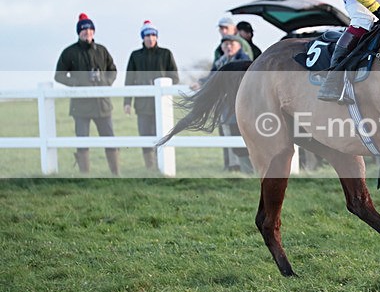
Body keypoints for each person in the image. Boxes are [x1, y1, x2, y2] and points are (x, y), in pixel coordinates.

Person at [54, 12, 119, 175]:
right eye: (84, 30)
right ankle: (85, 175)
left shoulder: (102, 50)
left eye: (90, 30)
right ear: (79, 32)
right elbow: (59, 76)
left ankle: (116, 173)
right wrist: (76, 83)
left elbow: (113, 70)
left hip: (102, 104)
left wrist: (105, 83)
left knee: (110, 140)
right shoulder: (69, 52)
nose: (87, 33)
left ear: (94, 32)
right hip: (81, 106)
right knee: (82, 141)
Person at [123, 20, 180, 170]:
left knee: (161, 134)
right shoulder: (135, 56)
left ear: (157, 37)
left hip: (162, 104)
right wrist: (127, 102)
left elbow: (175, 77)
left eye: (153, 35)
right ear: (143, 37)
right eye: (147, 35)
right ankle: (150, 166)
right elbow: (129, 80)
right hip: (142, 105)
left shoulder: (165, 54)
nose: (150, 38)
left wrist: (163, 85)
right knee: (145, 135)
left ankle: (162, 165)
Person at [193, 33, 253, 172]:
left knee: (243, 139)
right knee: (233, 138)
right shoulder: (221, 61)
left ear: (239, 46)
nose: (228, 46)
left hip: (241, 106)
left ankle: (249, 170)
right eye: (225, 44)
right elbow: (213, 76)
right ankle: (241, 169)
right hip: (228, 107)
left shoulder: (244, 60)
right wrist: (201, 82)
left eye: (232, 43)